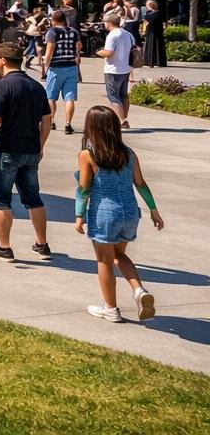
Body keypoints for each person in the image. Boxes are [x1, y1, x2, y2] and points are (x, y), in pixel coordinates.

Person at [74, 106, 165, 323]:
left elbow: (84, 188)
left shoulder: (88, 154)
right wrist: (154, 210)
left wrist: (79, 215)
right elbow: (140, 184)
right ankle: (139, 290)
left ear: (91, 128)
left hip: (105, 214)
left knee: (104, 260)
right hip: (131, 213)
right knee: (119, 255)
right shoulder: (128, 153)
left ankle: (111, 308)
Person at [0, 42, 52, 262]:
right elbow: (46, 120)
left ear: (5, 61)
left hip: (6, 150)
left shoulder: (2, 86)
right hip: (30, 151)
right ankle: (42, 244)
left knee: (0, 200)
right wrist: (40, 145)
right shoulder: (36, 86)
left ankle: (4, 247)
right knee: (33, 198)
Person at [39, 8, 82, 135]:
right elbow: (79, 46)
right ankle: (68, 124)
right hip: (71, 66)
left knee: (51, 97)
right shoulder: (74, 31)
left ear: (54, 20)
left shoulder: (52, 32)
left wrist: (45, 65)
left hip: (56, 67)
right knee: (69, 98)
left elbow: (49, 50)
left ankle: (51, 121)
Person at [96, 11, 135, 128]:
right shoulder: (127, 34)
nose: (104, 24)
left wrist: (98, 52)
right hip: (126, 68)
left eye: (104, 22)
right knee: (123, 95)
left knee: (113, 96)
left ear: (109, 23)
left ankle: (122, 120)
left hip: (113, 69)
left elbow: (108, 52)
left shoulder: (112, 35)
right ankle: (124, 117)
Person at [140, 0, 166, 69]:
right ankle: (148, 62)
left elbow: (148, 18)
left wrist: (150, 10)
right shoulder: (150, 13)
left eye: (147, 5)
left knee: (156, 47)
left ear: (151, 5)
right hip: (150, 32)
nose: (146, 7)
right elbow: (146, 18)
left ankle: (156, 62)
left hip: (156, 33)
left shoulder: (157, 13)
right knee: (149, 46)